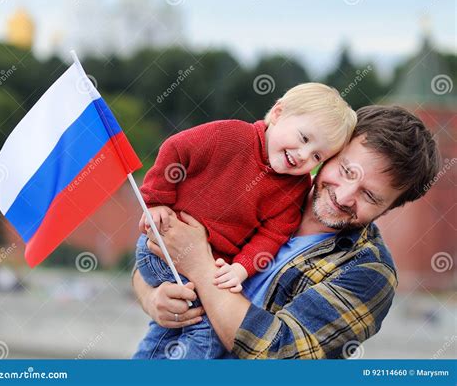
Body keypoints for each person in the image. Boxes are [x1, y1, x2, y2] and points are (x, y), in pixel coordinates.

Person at [132, 105, 441, 359]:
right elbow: (159, 251)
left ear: (388, 210)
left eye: (370, 196)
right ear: (332, 151)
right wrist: (152, 298)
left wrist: (199, 266)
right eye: (346, 171)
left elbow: (279, 355)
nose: (344, 196)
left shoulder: (369, 273)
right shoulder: (265, 187)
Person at [134, 83, 357, 359]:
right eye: (303, 138)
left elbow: (273, 235)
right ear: (277, 113)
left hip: (203, 265)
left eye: (317, 156)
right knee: (207, 330)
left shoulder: (295, 189)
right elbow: (176, 149)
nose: (302, 155)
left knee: (169, 328)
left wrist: (241, 267)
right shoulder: (230, 136)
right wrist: (156, 200)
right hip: (163, 247)